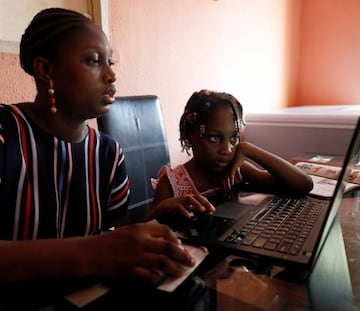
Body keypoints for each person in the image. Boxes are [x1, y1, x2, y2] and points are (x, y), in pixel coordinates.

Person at [0, 7, 214, 294]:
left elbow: (111, 236)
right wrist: (93, 254)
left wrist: (154, 216)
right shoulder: (5, 135)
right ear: (46, 69)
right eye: (93, 61)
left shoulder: (107, 153)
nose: (111, 75)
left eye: (110, 61)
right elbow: (100, 248)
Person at [147, 89, 313, 221]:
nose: (227, 149)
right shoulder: (172, 183)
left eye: (234, 138)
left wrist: (248, 149)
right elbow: (141, 230)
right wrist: (162, 210)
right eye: (214, 138)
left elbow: (304, 184)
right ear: (188, 135)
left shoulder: (237, 170)